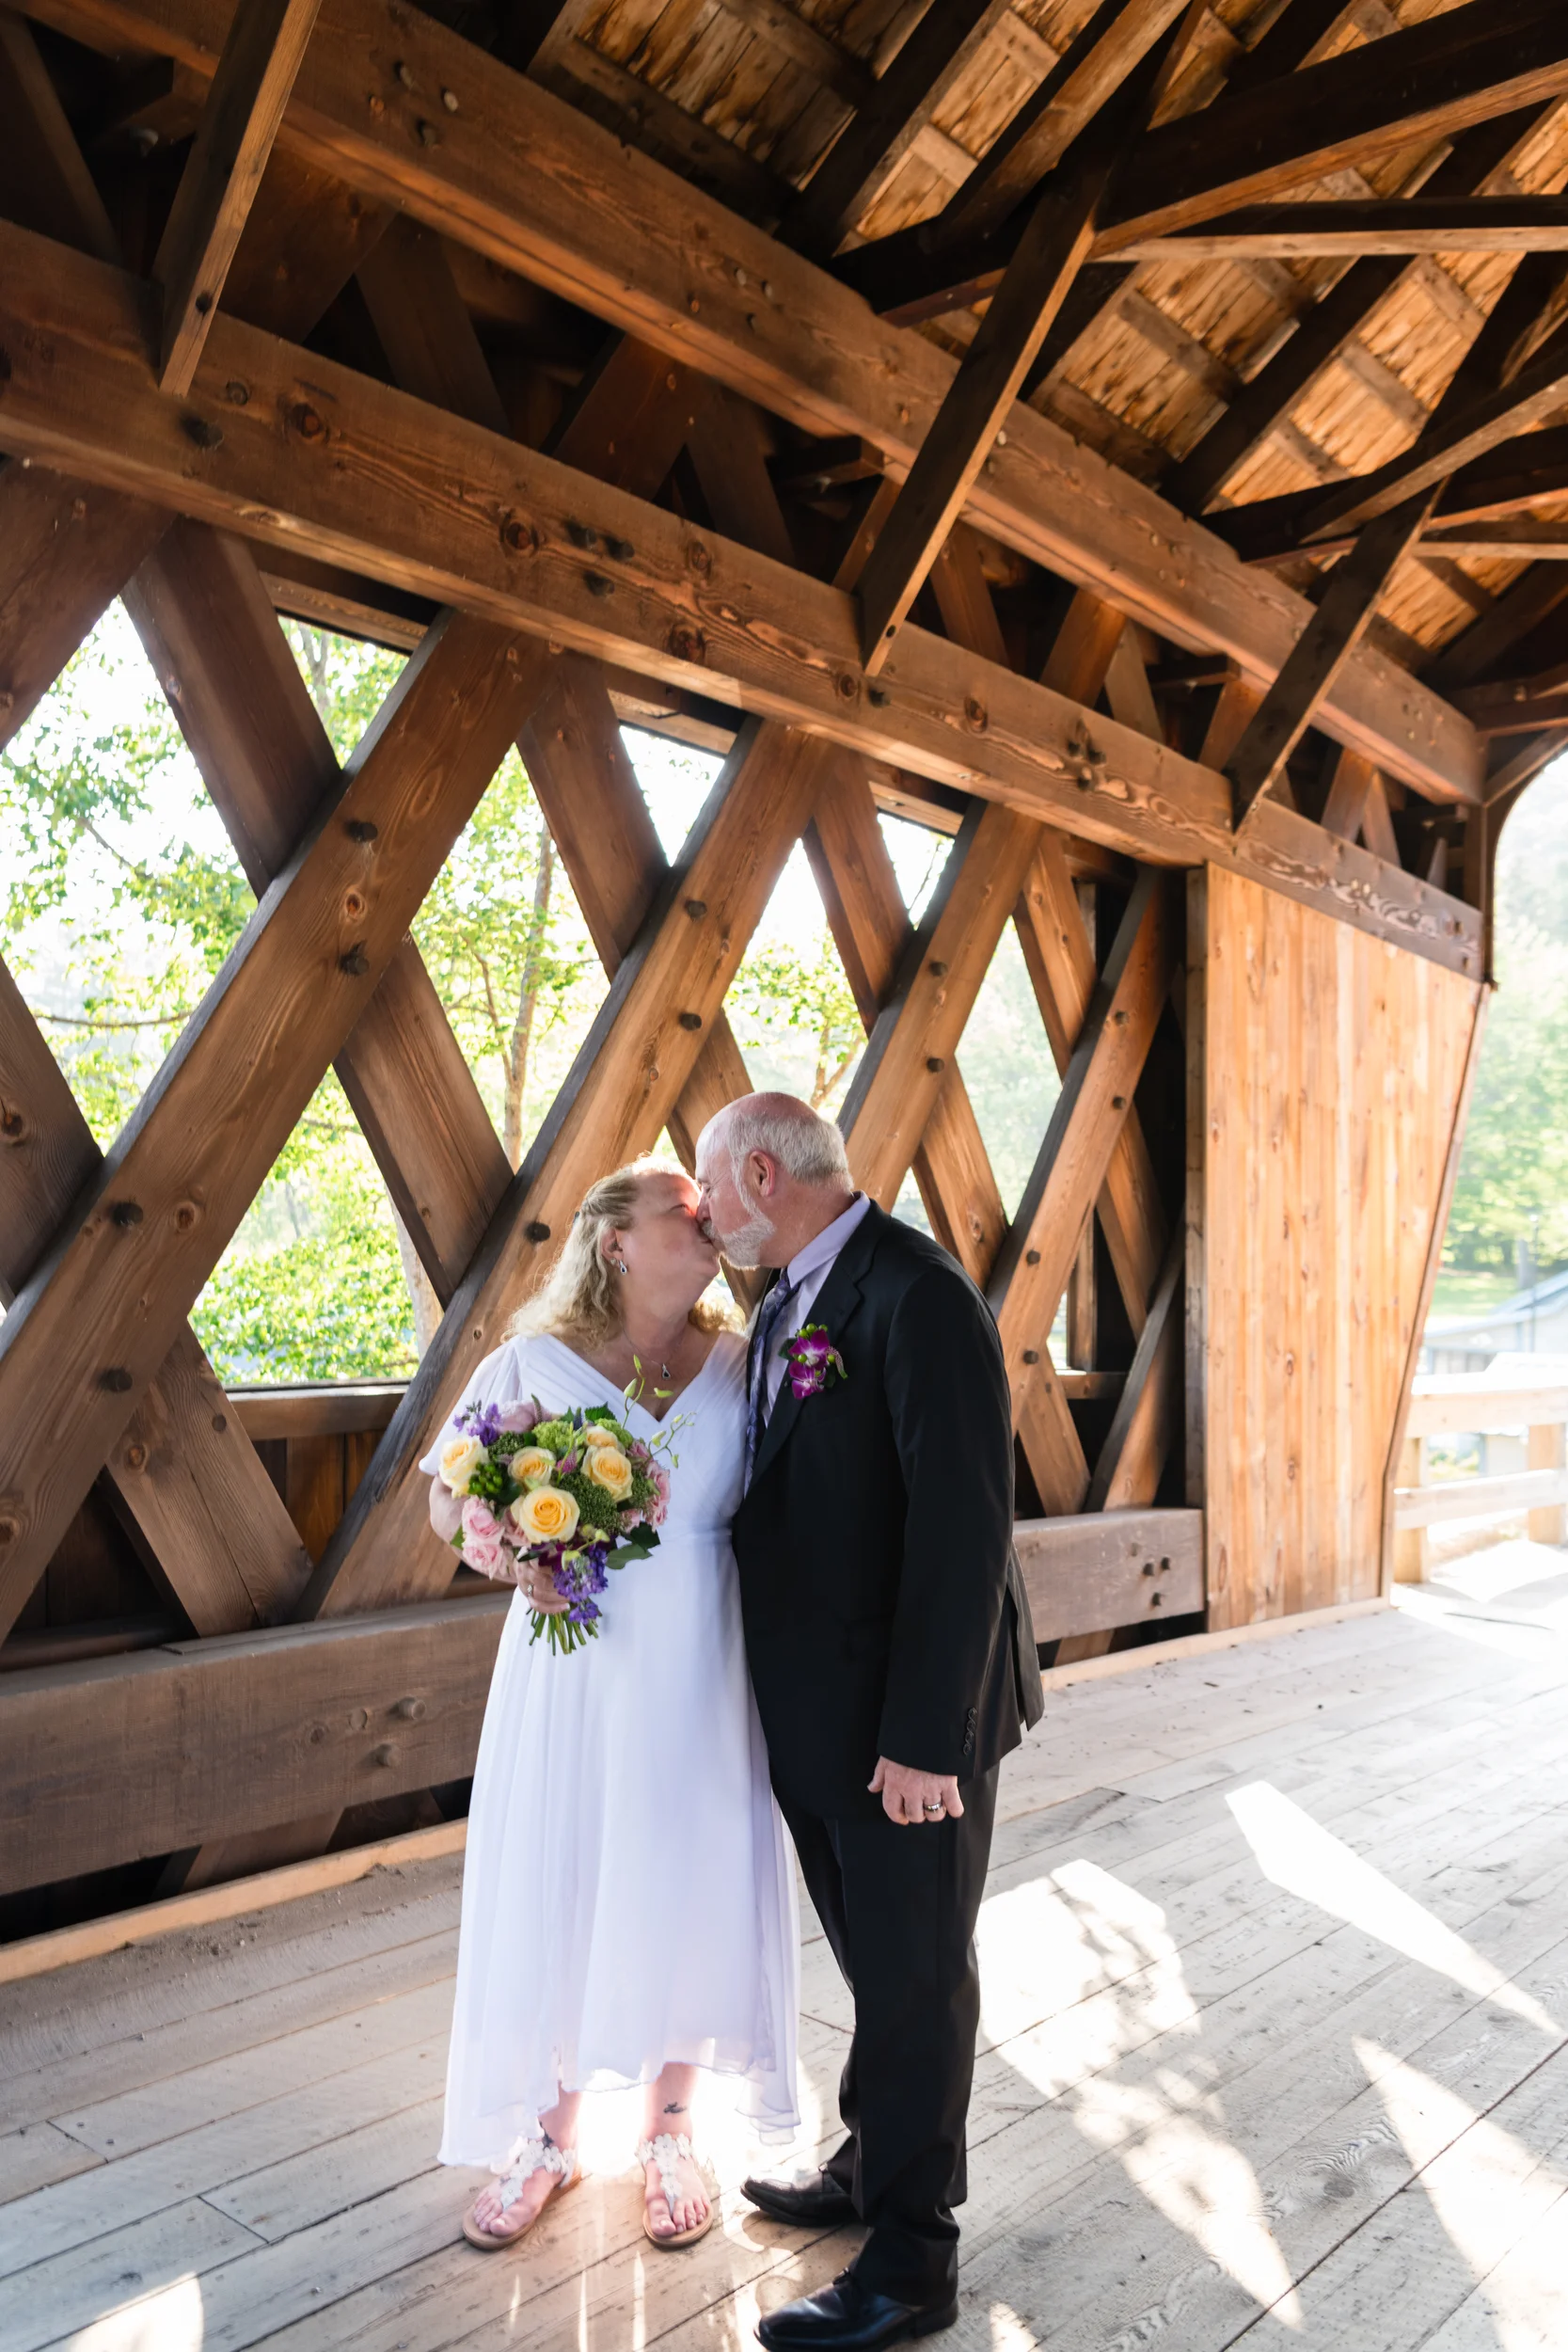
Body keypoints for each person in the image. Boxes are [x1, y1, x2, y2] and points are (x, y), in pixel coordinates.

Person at [694, 1094, 1043, 2352]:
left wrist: (920, 1742)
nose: (704, 1215)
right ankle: (868, 2160)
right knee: (874, 1967)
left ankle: (910, 2265)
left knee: (912, 1980)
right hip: (820, 1715)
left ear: (757, 1172)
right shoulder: (791, 1289)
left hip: (899, 1727)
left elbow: (962, 1536)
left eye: (709, 1192)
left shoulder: (918, 1296)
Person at [421, 1160, 800, 2255]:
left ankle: (672, 2127)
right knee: (564, 1863)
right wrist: (508, 1557)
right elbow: (450, 1489)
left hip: (705, 1660)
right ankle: (547, 2134)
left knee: (691, 1865)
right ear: (615, 1243)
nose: (708, 1223)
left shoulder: (745, 1362)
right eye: (681, 1214)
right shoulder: (531, 1362)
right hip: (575, 1663)